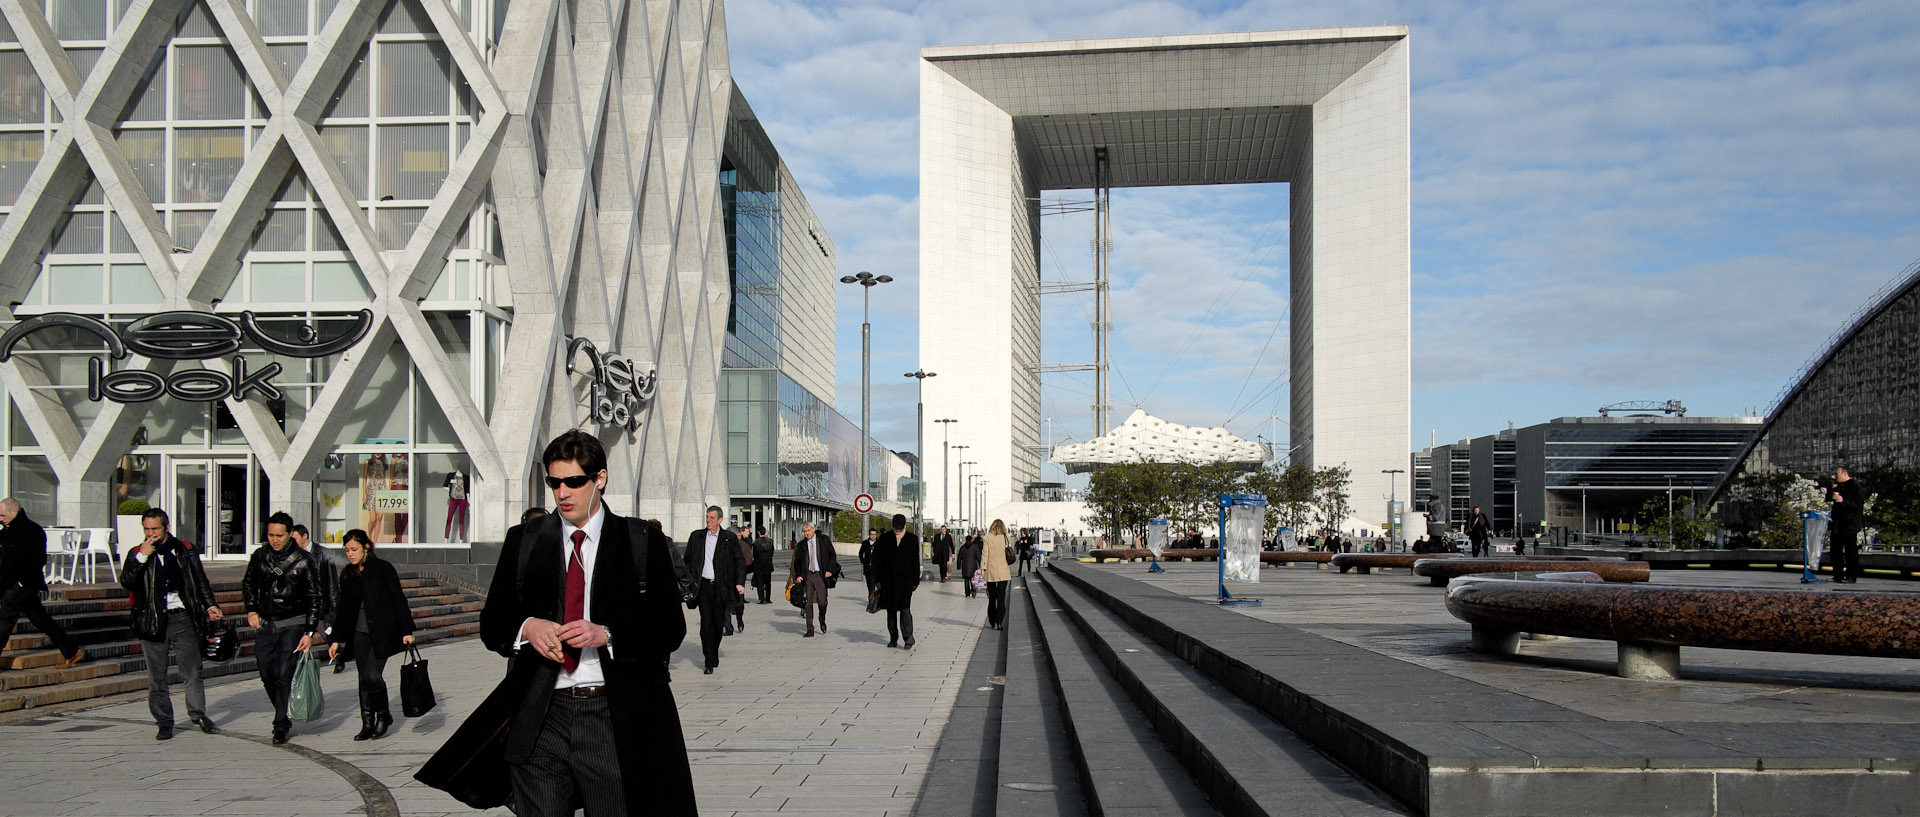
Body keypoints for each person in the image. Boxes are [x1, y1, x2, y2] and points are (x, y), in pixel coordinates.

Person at [476, 428, 695, 815]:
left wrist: (607, 634)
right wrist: (528, 627)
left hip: (612, 716)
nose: (562, 493)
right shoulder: (524, 540)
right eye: (554, 482)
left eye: (574, 482)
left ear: (600, 480)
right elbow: (493, 623)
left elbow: (669, 629)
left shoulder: (642, 542)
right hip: (541, 714)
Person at [120, 507, 222, 739]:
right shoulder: (137, 552)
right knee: (157, 674)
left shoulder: (184, 550)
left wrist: (210, 605)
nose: (151, 534)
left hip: (181, 616)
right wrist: (142, 557)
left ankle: (198, 714)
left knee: (192, 669)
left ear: (166, 527)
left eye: (155, 528)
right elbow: (127, 582)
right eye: (146, 529)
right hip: (152, 620)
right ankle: (164, 720)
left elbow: (200, 581)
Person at [242, 510, 325, 744]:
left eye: (279, 535)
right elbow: (248, 583)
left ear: (290, 534)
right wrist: (251, 609)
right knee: (266, 671)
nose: (275, 540)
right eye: (270, 535)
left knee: (284, 672)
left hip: (293, 622)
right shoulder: (260, 556)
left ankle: (280, 723)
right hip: (266, 622)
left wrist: (309, 632)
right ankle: (283, 708)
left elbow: (315, 597)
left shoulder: (304, 560)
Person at [327, 529, 415, 740]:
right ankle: (367, 722)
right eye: (347, 550)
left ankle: (383, 716)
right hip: (359, 632)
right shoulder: (348, 573)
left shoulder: (383, 569)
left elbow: (398, 600)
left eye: (354, 549)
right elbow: (344, 609)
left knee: (373, 675)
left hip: (382, 632)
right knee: (362, 679)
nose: (350, 554)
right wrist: (337, 640)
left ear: (366, 547)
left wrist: (407, 631)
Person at [0, 498, 85, 672]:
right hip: (13, 584)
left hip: (22, 585)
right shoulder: (8, 530)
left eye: (3, 515)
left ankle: (72, 651)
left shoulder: (32, 530)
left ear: (14, 511)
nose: (1, 518)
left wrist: (21, 582)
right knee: (41, 619)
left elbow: (38, 559)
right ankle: (72, 651)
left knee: (5, 620)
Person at [684, 506, 744, 674]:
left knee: (718, 624)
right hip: (702, 586)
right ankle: (708, 659)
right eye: (707, 517)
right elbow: (687, 560)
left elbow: (739, 562)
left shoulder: (729, 539)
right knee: (706, 623)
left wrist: (739, 583)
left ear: (720, 520)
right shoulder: (697, 537)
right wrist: (689, 580)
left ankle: (714, 651)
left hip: (721, 587)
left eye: (712, 518)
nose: (708, 520)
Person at [294, 523, 349, 674]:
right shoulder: (293, 554)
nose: (292, 541)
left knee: (327, 633)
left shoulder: (322, 553)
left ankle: (338, 658)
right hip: (300, 603)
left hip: (319, 602)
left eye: (295, 537)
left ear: (305, 536)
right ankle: (298, 664)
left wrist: (333, 605)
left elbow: (332, 581)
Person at [870, 514, 921, 649]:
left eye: (899, 528)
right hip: (888, 581)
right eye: (895, 528)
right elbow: (877, 560)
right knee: (891, 610)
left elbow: (915, 561)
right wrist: (878, 580)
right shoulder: (885, 538)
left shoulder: (912, 539)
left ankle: (908, 637)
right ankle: (893, 637)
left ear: (904, 526)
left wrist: (916, 580)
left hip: (906, 581)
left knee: (905, 609)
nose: (897, 531)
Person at [791, 521, 840, 637]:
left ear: (813, 530)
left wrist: (829, 570)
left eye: (809, 531)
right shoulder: (802, 545)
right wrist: (798, 575)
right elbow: (797, 562)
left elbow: (832, 555)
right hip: (807, 576)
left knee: (822, 602)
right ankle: (809, 629)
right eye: (805, 532)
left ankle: (822, 620)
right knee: (807, 603)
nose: (807, 533)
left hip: (820, 575)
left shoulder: (824, 540)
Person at [1829, 465, 1866, 583]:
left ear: (1845, 474)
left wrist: (1843, 501)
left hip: (1850, 524)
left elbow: (1858, 505)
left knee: (1850, 550)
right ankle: (1837, 574)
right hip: (1837, 524)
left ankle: (1851, 575)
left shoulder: (1856, 487)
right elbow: (1829, 499)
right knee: (1835, 550)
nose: (1836, 476)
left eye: (1838, 474)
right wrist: (1833, 490)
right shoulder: (1838, 486)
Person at [982, 520, 1014, 630]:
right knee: (1001, 597)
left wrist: (983, 568)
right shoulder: (1005, 537)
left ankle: (992, 620)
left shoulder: (987, 538)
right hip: (1003, 570)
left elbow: (985, 554)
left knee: (992, 598)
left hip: (991, 570)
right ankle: (1000, 621)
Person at [751, 526, 775, 604]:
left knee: (760, 582)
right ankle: (768, 598)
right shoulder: (770, 541)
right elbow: (772, 553)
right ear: (765, 532)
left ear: (758, 532)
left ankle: (761, 598)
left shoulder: (756, 542)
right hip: (768, 564)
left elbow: (754, 554)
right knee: (768, 582)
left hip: (759, 565)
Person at [956, 532, 982, 599]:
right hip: (973, 565)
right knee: (973, 579)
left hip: (965, 566)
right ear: (971, 540)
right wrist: (980, 565)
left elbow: (959, 557)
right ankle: (973, 591)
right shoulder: (975, 547)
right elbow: (978, 556)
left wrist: (958, 566)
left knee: (966, 580)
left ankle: (967, 593)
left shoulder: (962, 548)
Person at [858, 528, 879, 594]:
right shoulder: (865, 543)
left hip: (876, 567)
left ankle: (871, 598)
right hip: (867, 567)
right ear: (869, 535)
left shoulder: (879, 543)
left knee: (873, 583)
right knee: (869, 583)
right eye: (872, 534)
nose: (873, 536)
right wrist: (863, 561)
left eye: (874, 534)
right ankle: (872, 596)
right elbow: (861, 553)